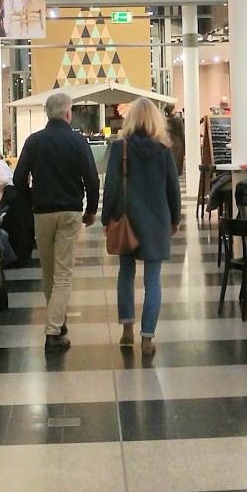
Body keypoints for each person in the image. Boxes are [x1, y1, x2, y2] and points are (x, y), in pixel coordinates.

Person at [12, 89, 99, 354]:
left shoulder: (34, 141)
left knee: (48, 271)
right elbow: (91, 178)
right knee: (63, 273)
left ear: (48, 113)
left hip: (42, 212)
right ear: (68, 113)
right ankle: (53, 330)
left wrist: (31, 200)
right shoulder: (78, 142)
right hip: (70, 212)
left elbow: (18, 179)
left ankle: (57, 321)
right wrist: (91, 209)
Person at [102, 99, 181, 359]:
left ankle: (127, 330)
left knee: (125, 273)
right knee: (153, 280)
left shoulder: (120, 147)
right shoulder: (163, 148)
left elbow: (111, 185)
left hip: (127, 219)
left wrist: (106, 219)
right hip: (157, 220)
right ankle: (147, 338)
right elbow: (173, 187)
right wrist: (175, 218)